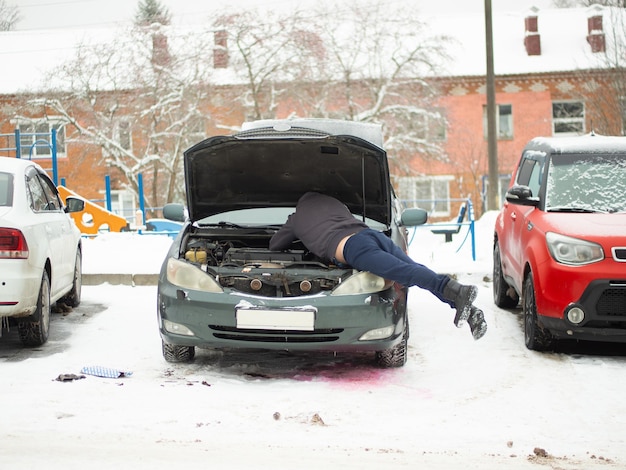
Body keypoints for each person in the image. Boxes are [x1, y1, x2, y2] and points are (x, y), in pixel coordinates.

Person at [269, 192, 487, 340]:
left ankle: (459, 291)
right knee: (414, 269)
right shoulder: (335, 204)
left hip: (354, 248)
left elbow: (275, 244)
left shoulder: (297, 218)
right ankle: (468, 310)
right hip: (371, 236)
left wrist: (297, 227)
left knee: (407, 273)